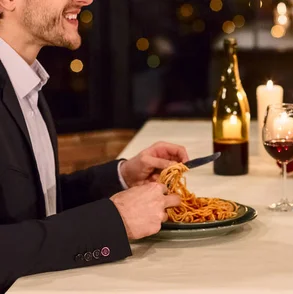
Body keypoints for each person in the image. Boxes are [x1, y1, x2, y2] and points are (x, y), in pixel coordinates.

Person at [0, 0, 187, 291]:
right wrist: (115, 222)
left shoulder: (25, 82)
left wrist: (122, 178)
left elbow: (36, 206)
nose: (86, 0)